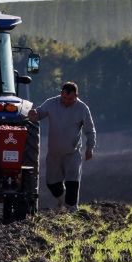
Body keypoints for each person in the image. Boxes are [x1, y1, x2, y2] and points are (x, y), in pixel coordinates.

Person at [27, 81, 96, 211]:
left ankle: (72, 211)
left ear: (76, 96)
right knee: (52, 184)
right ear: (61, 94)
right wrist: (33, 115)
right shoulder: (51, 103)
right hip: (54, 154)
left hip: (72, 153)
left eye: (70, 99)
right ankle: (64, 201)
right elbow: (39, 114)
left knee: (72, 182)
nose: (66, 101)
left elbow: (90, 130)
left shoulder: (82, 108)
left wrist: (90, 147)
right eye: (64, 97)